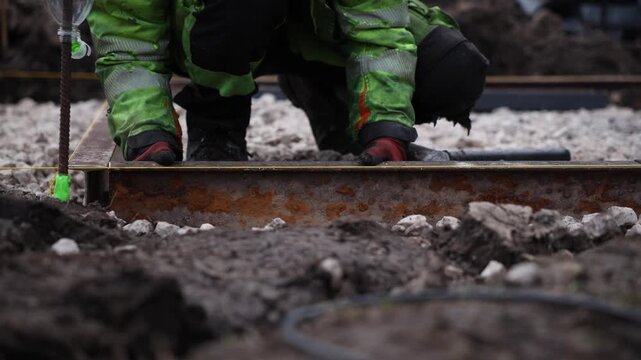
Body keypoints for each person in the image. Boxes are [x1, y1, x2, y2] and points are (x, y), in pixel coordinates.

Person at [87, 0, 488, 166]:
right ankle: (218, 118)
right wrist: (146, 127)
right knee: (235, 15)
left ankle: (330, 100)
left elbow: (380, 30)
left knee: (450, 68)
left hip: (310, 33)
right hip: (215, 27)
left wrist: (383, 121)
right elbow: (129, 42)